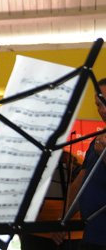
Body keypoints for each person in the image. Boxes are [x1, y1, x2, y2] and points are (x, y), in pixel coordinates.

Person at [59, 78, 106, 250]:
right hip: (92, 236)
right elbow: (80, 183)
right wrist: (63, 219)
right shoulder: (97, 142)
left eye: (104, 103)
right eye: (98, 105)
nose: (102, 110)